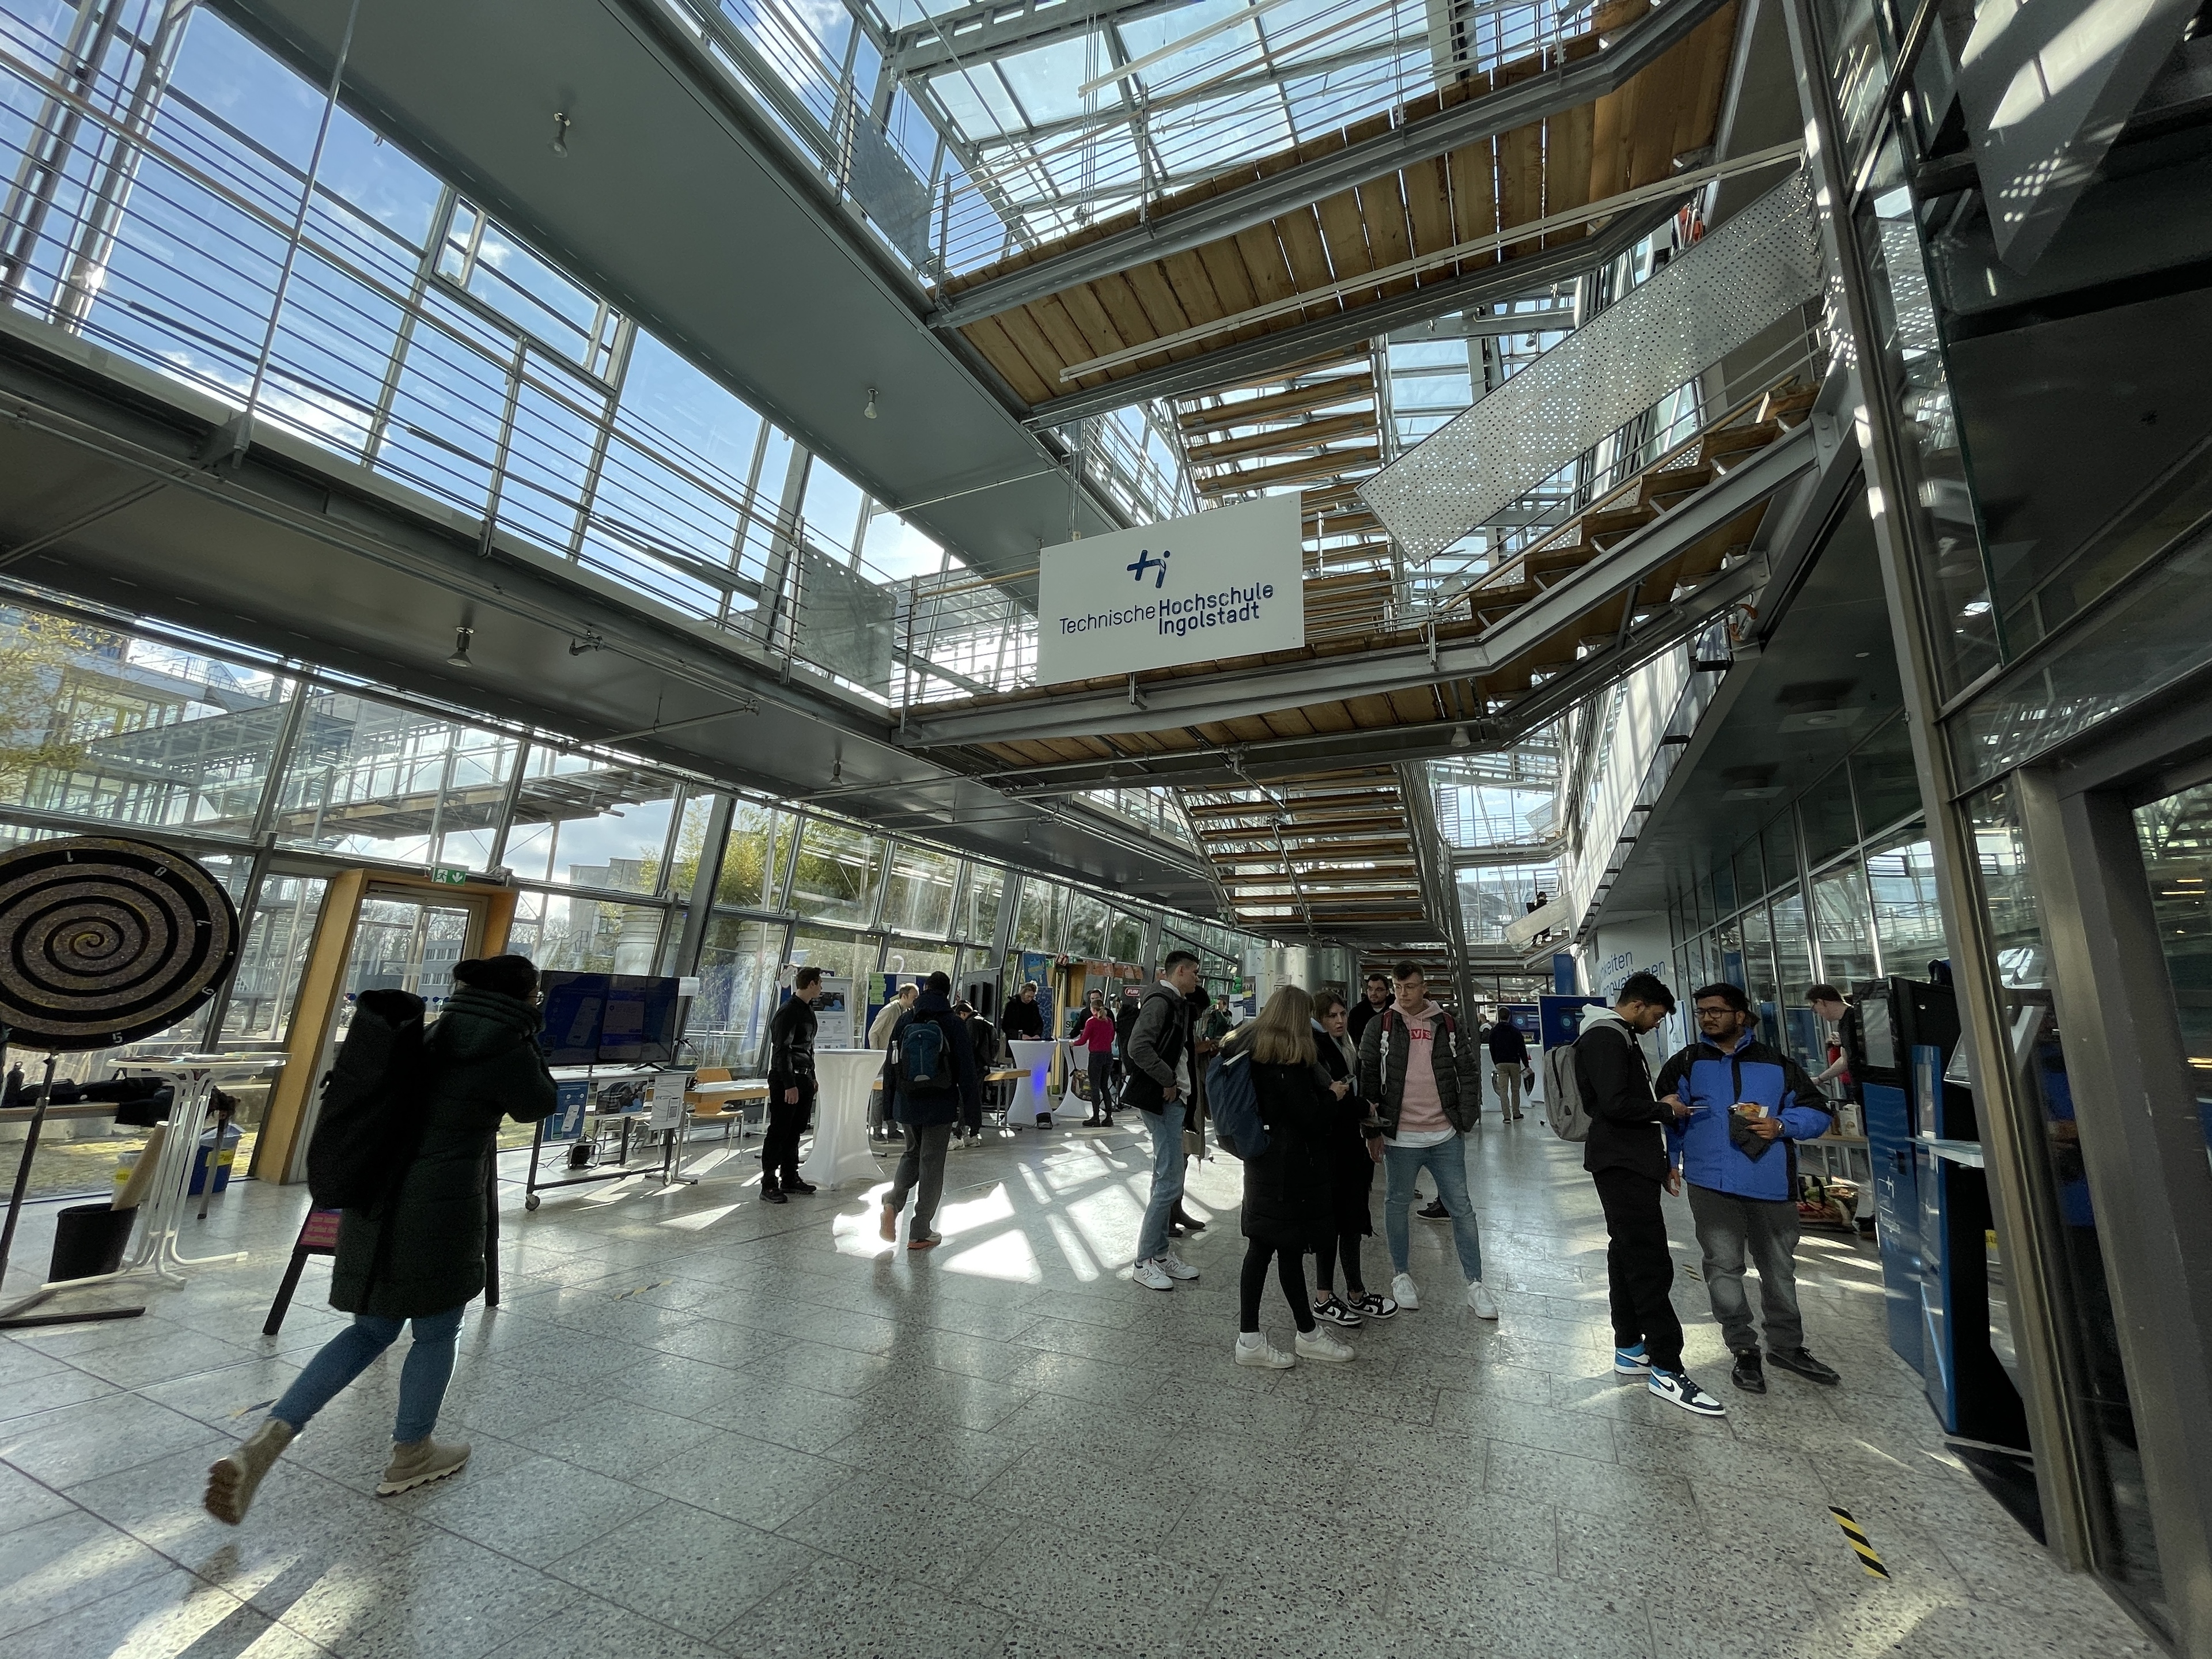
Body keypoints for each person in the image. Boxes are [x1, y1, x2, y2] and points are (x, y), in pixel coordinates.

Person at [203, 955, 558, 1523]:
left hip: (377, 1197)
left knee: (369, 1330)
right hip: (441, 1208)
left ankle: (271, 1435)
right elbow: (540, 1104)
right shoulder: (506, 1049)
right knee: (438, 1330)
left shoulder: (432, 1033)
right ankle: (412, 1451)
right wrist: (529, 1033)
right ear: (526, 998)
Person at [1658, 983, 1843, 1393]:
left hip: (1770, 1183)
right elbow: (1670, 1116)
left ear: (1740, 1015)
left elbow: (1817, 1112)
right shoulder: (1687, 1062)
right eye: (1702, 1012)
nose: (1708, 1018)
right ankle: (1743, 1349)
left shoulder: (1778, 1064)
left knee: (1779, 1270)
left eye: (1716, 1011)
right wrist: (1670, 1161)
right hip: (1710, 1183)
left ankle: (1787, 1347)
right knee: (1723, 1268)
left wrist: (1781, 1125)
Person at [1576, 971, 1725, 1418]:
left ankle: (1629, 1347)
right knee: (1650, 1264)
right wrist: (1666, 1109)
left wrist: (1658, 1163)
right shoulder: (1606, 1037)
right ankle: (1667, 1367)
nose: (1658, 1023)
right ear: (1638, 1005)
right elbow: (1614, 1104)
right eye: (1657, 1015)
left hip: (1630, 1162)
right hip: (1619, 1163)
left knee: (1627, 1255)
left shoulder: (1617, 1034)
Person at [1225, 986, 1354, 1367]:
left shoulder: (1259, 1054)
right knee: (1276, 1250)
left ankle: (1292, 1334)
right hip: (1287, 1172)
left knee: (1274, 1249)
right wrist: (1333, 1095)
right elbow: (1310, 1119)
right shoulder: (1288, 1063)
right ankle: (1269, 1339)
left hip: (1264, 1166)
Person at [1357, 962, 1494, 1318]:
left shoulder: (1447, 1024)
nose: (1403, 994)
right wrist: (1372, 1131)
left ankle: (1476, 1284)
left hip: (1444, 1134)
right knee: (1396, 1204)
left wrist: (1465, 1118)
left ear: (1424, 987)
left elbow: (1468, 1071)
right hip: (1400, 1137)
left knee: (1461, 1208)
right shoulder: (1380, 1026)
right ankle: (1401, 1275)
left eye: (1410, 987)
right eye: (1398, 987)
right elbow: (1368, 1078)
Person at [878, 971, 982, 1251]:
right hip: (940, 1103)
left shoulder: (906, 1020)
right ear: (947, 993)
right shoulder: (953, 1023)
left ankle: (892, 1204)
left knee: (912, 1154)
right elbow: (967, 1072)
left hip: (908, 1100)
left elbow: (892, 1065)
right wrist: (973, 1116)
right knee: (932, 1163)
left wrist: (889, 1106)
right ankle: (920, 1231)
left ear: (925, 990)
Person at [1310, 991, 1393, 1326]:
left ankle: (1354, 1292)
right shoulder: (1319, 1048)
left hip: (1347, 1147)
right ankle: (1326, 1296)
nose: (1340, 1020)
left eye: (1342, 1014)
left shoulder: (1342, 1046)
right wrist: (1363, 1108)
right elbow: (1333, 1099)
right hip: (1334, 1150)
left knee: (1350, 1223)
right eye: (1331, 1015)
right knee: (1337, 1223)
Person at [1124, 952, 1203, 1290]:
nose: (1197, 979)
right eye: (1195, 973)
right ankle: (1143, 1260)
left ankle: (1158, 1254)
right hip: (1163, 1099)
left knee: (1165, 1177)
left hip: (1171, 1099)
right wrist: (1168, 1079)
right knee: (1169, 1180)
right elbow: (1138, 1047)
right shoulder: (1161, 1002)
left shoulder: (1174, 1002)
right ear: (1180, 971)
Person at [762, 967, 823, 1202]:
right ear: (811, 984)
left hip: (803, 1077)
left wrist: (812, 1076)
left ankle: (789, 1177)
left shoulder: (807, 1010)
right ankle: (769, 1182)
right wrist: (789, 1084)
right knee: (779, 1130)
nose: (821, 988)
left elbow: (808, 1047)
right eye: (819, 983)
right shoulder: (788, 1011)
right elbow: (782, 1050)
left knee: (795, 1130)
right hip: (786, 1079)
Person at [866, 983, 918, 1142]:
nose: (916, 1000)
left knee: (893, 1093)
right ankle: (876, 1130)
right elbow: (873, 1033)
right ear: (904, 996)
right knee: (880, 1094)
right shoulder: (890, 1010)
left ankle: (892, 1128)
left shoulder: (906, 1012)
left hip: (896, 1059)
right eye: (914, 997)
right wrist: (878, 1055)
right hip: (884, 1059)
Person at [1001, 981, 1048, 1128]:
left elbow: (1039, 1023)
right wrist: (1020, 1036)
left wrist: (1036, 1034)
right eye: (1028, 996)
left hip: (1031, 1044)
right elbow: (1006, 1026)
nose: (1029, 999)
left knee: (1030, 1075)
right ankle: (1011, 1107)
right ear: (1023, 993)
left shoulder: (1033, 1006)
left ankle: (1030, 1105)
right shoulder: (1012, 1005)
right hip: (1017, 1044)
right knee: (1017, 1075)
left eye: (1032, 997)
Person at [951, 999, 993, 1148]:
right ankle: (973, 1135)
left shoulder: (971, 1023)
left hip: (973, 1068)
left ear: (962, 1014)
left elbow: (969, 1047)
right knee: (975, 1101)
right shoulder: (983, 1021)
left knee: (965, 1101)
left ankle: (959, 1135)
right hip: (983, 1067)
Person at [1808, 984, 1861, 1097]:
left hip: (1870, 1085)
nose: (1818, 1014)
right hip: (1859, 1087)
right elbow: (1844, 1061)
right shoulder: (1842, 1024)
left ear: (1821, 1002)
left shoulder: (1855, 1018)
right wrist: (1819, 1079)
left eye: (1814, 1009)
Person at [1078, 990, 1118, 1127]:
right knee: (1104, 1086)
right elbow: (1112, 1037)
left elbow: (1083, 1040)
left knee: (1094, 1086)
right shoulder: (1109, 1021)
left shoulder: (1091, 1022)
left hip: (1096, 1056)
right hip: (1108, 1055)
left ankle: (1095, 1117)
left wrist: (1073, 1043)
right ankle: (1109, 1117)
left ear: (1093, 1009)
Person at [1487, 1011, 1531, 1123]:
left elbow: (1492, 1048)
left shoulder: (1494, 1031)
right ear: (1509, 1017)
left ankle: (1506, 1116)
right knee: (1515, 1090)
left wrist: (1496, 1062)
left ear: (1499, 1016)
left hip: (1501, 1063)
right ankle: (1516, 1113)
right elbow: (1522, 1049)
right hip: (1515, 1063)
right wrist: (1526, 1065)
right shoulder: (1515, 1031)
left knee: (1503, 1090)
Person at [1346, 972, 1391, 1047]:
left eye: (1379, 990)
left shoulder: (1396, 1011)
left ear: (1387, 992)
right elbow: (1351, 1040)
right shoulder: (1357, 1013)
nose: (1373, 993)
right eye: (1370, 989)